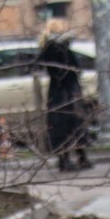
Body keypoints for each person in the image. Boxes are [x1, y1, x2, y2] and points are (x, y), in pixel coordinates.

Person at [37, 19, 93, 172]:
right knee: (76, 124)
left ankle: (64, 159)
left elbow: (42, 66)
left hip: (56, 92)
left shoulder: (46, 48)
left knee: (59, 126)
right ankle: (81, 158)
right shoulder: (64, 48)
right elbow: (76, 68)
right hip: (70, 91)